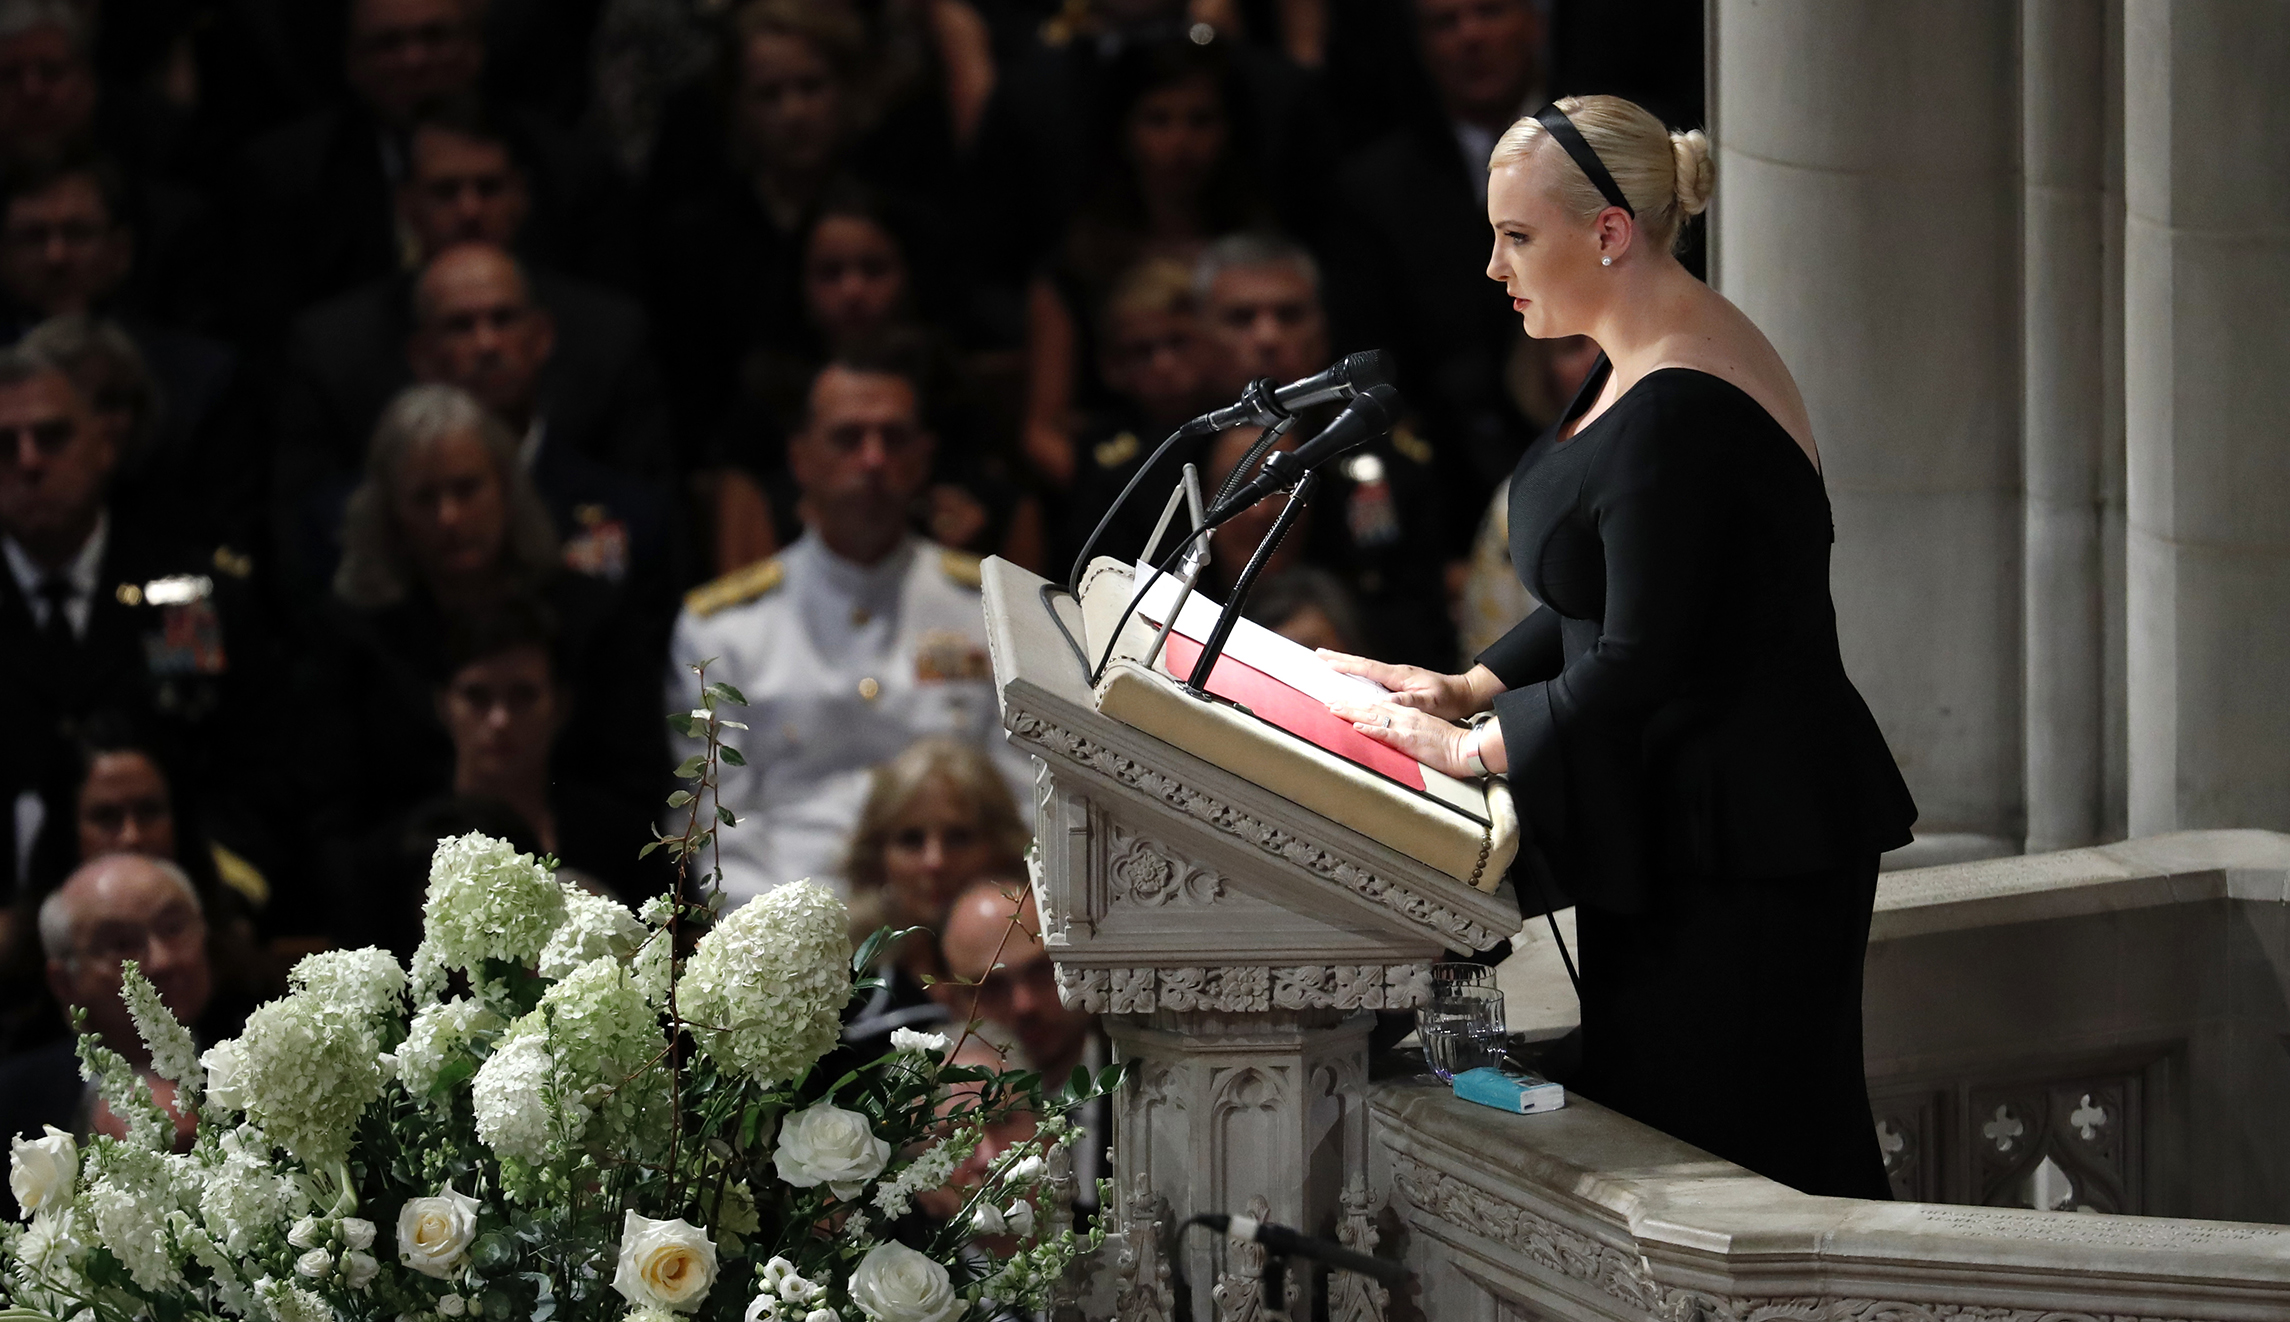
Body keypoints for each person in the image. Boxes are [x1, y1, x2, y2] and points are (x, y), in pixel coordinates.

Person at [1322, 96, 1917, 1201]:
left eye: (1515, 236)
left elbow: (1642, 652)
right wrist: (1467, 683)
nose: (1493, 267)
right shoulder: (1640, 353)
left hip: (1748, 840)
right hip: (1692, 816)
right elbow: (1610, 582)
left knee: (1755, 1156)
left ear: (1606, 234)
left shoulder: (1682, 397)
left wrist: (1467, 747)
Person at [667, 347, 1030, 908]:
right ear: (800, 458)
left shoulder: (991, 607)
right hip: (793, 926)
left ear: (925, 456)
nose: (873, 459)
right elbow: (717, 826)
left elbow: (1023, 800)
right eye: (847, 438)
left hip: (961, 924)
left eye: (893, 438)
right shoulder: (726, 630)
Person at [312, 383, 663, 848]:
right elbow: (335, 819)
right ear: (392, 511)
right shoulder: (354, 636)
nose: (450, 517)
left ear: (507, 488)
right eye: (424, 498)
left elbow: (635, 790)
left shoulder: (591, 616)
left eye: (467, 488)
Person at [0, 346, 275, 903]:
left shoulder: (181, 598)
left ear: (103, 445)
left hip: (175, 902)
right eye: (4, 447)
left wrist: (215, 891)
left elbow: (236, 761)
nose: (29, 462)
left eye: (52, 438)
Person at [1195, 232, 1461, 668]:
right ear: (1200, 334)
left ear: (1322, 328)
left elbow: (1419, 624)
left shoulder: (1383, 457)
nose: (1267, 336)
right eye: (1241, 318)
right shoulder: (1163, 455)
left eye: (1290, 314)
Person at [1326, 0, 1543, 491]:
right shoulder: (1375, 191)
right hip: (1447, 479)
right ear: (1419, 45)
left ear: (1534, 21)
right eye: (1444, 22)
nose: (1470, 38)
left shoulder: (1610, 157)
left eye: (1490, 12)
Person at [0, 854, 212, 1165]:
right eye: (123, 944)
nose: (163, 960)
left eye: (173, 928)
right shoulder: (14, 1099)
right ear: (64, 982)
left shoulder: (266, 1064)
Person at [840, 737, 1033, 1049]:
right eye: (911, 840)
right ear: (878, 858)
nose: (935, 862)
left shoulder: (1045, 975)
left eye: (958, 837)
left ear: (1000, 847)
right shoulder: (845, 1000)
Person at [1058, 256, 1212, 569]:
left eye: (1177, 342)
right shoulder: (1100, 446)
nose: (1163, 365)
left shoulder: (1240, 425)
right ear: (1112, 366)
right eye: (1142, 351)